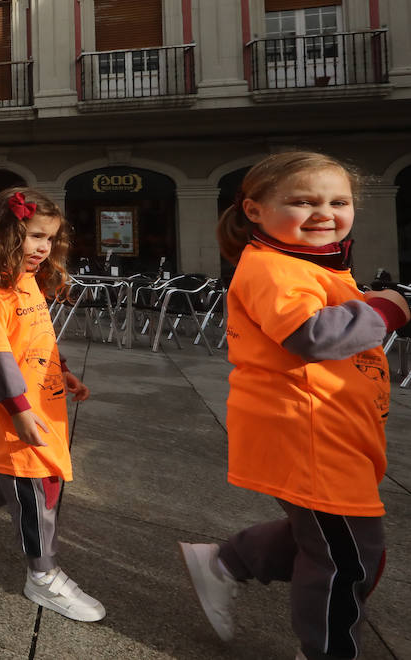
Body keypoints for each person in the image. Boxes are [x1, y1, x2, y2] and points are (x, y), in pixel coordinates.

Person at [180, 152, 407, 659]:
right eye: (303, 201)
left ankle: (227, 561)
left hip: (332, 428)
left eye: (338, 201)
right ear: (255, 210)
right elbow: (310, 335)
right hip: (308, 430)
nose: (324, 212)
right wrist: (388, 307)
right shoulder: (274, 266)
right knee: (348, 556)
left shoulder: (310, 262)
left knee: (330, 535)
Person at [0, 187, 102, 623]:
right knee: (38, 489)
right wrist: (18, 411)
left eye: (50, 238)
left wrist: (65, 368)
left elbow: (37, 337)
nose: (44, 248)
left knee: (21, 475)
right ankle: (42, 575)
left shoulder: (24, 279)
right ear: (5, 233)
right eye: (36, 235)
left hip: (45, 400)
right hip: (16, 408)